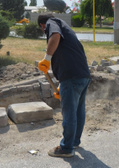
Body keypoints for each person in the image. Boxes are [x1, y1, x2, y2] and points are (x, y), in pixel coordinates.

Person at [37, 14, 91, 157]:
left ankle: (66, 148)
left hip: (71, 76)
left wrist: (47, 59)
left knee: (69, 113)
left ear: (42, 25)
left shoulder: (51, 23)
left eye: (43, 29)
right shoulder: (66, 28)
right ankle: (74, 141)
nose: (44, 31)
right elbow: (69, 54)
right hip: (82, 74)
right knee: (78, 110)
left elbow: (54, 36)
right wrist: (62, 84)